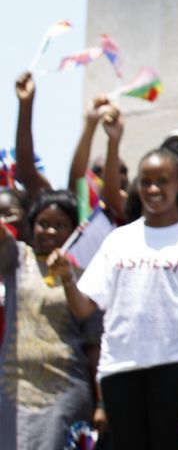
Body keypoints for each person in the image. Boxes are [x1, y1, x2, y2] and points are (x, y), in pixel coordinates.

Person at [49, 148, 178, 450]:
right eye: (146, 182)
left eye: (162, 181)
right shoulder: (118, 240)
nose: (153, 189)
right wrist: (66, 277)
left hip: (174, 367)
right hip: (120, 370)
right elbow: (83, 307)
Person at [0, 190, 103, 450]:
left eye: (60, 225)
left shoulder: (83, 275)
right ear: (31, 226)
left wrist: (101, 403)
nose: (50, 231)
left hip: (64, 392)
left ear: (72, 231)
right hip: (13, 389)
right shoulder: (17, 260)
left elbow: (95, 346)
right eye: (43, 223)